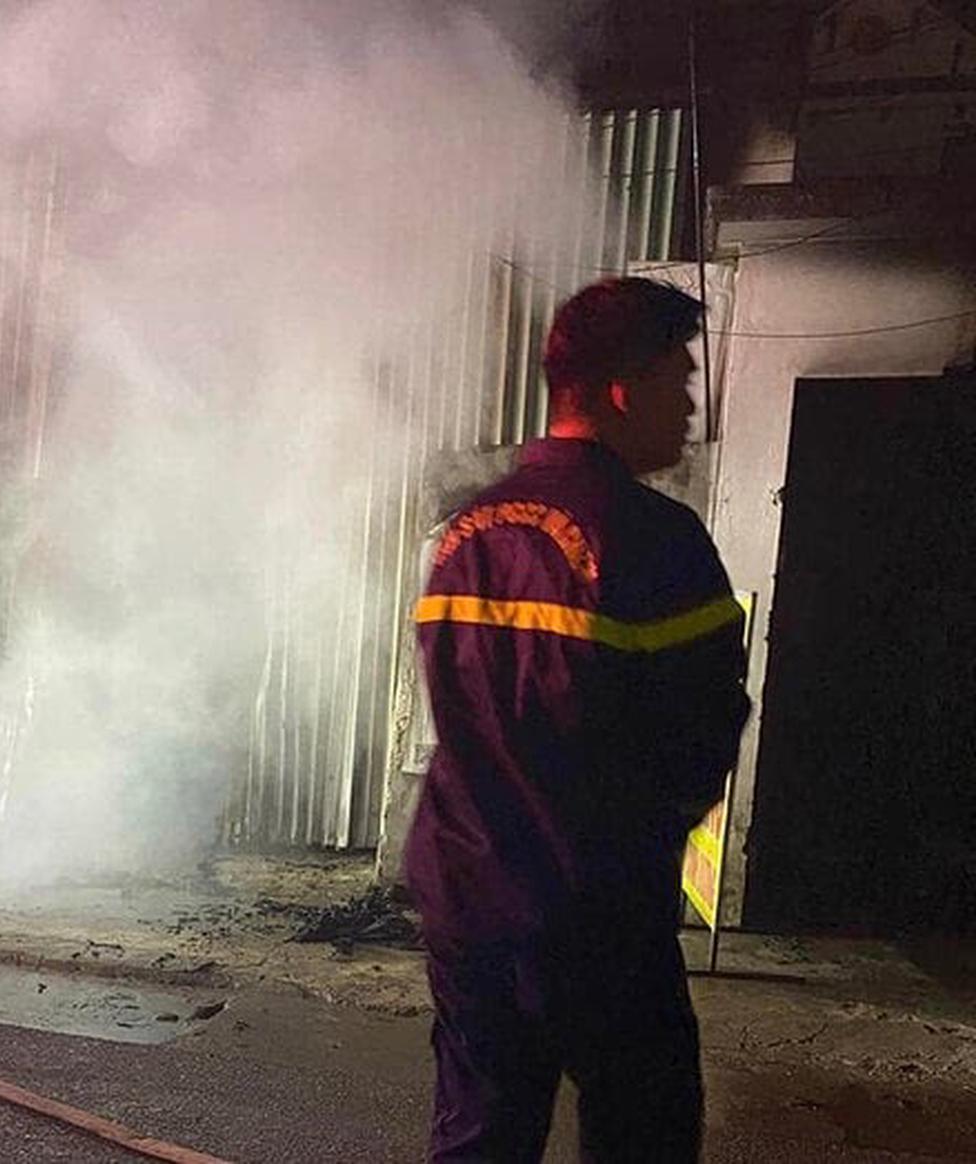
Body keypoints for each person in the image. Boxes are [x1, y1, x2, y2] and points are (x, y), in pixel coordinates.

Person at [404, 277, 751, 1161]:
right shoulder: (657, 540)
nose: (692, 407)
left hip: (468, 896)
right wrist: (645, 838)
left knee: (480, 1137)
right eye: (680, 379)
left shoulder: (462, 533)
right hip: (598, 910)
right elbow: (706, 728)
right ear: (624, 391)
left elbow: (460, 708)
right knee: (643, 1128)